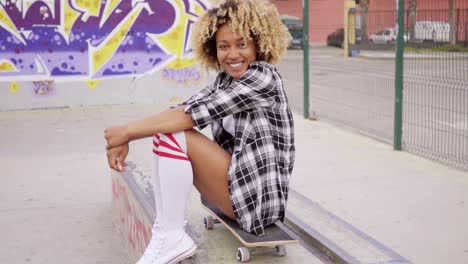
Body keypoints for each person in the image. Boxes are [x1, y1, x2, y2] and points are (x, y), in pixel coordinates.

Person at [104, 0, 294, 263]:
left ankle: (171, 235)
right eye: (223, 46)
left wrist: (127, 133)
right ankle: (166, 232)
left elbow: (190, 116)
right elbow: (185, 108)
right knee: (168, 132)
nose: (233, 54)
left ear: (259, 44)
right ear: (212, 49)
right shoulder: (224, 80)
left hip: (258, 204)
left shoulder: (263, 78)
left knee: (176, 133)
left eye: (242, 44)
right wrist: (126, 134)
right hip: (237, 188)